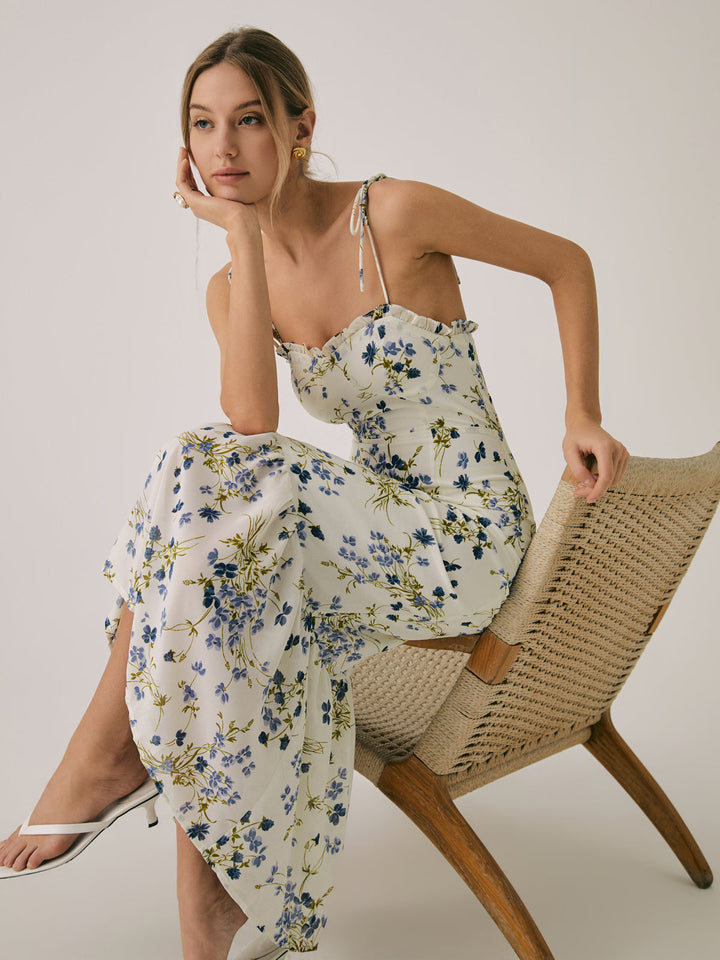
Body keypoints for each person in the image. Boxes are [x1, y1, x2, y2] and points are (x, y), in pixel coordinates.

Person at [0, 25, 628, 960]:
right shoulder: (229, 285)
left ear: (300, 127)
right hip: (371, 527)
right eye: (203, 125)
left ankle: (109, 755)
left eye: (249, 121)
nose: (224, 147)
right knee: (219, 566)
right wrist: (245, 237)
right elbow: (256, 418)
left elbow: (565, 260)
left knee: (212, 476)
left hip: (467, 537)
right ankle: (208, 913)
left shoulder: (395, 213)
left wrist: (583, 411)